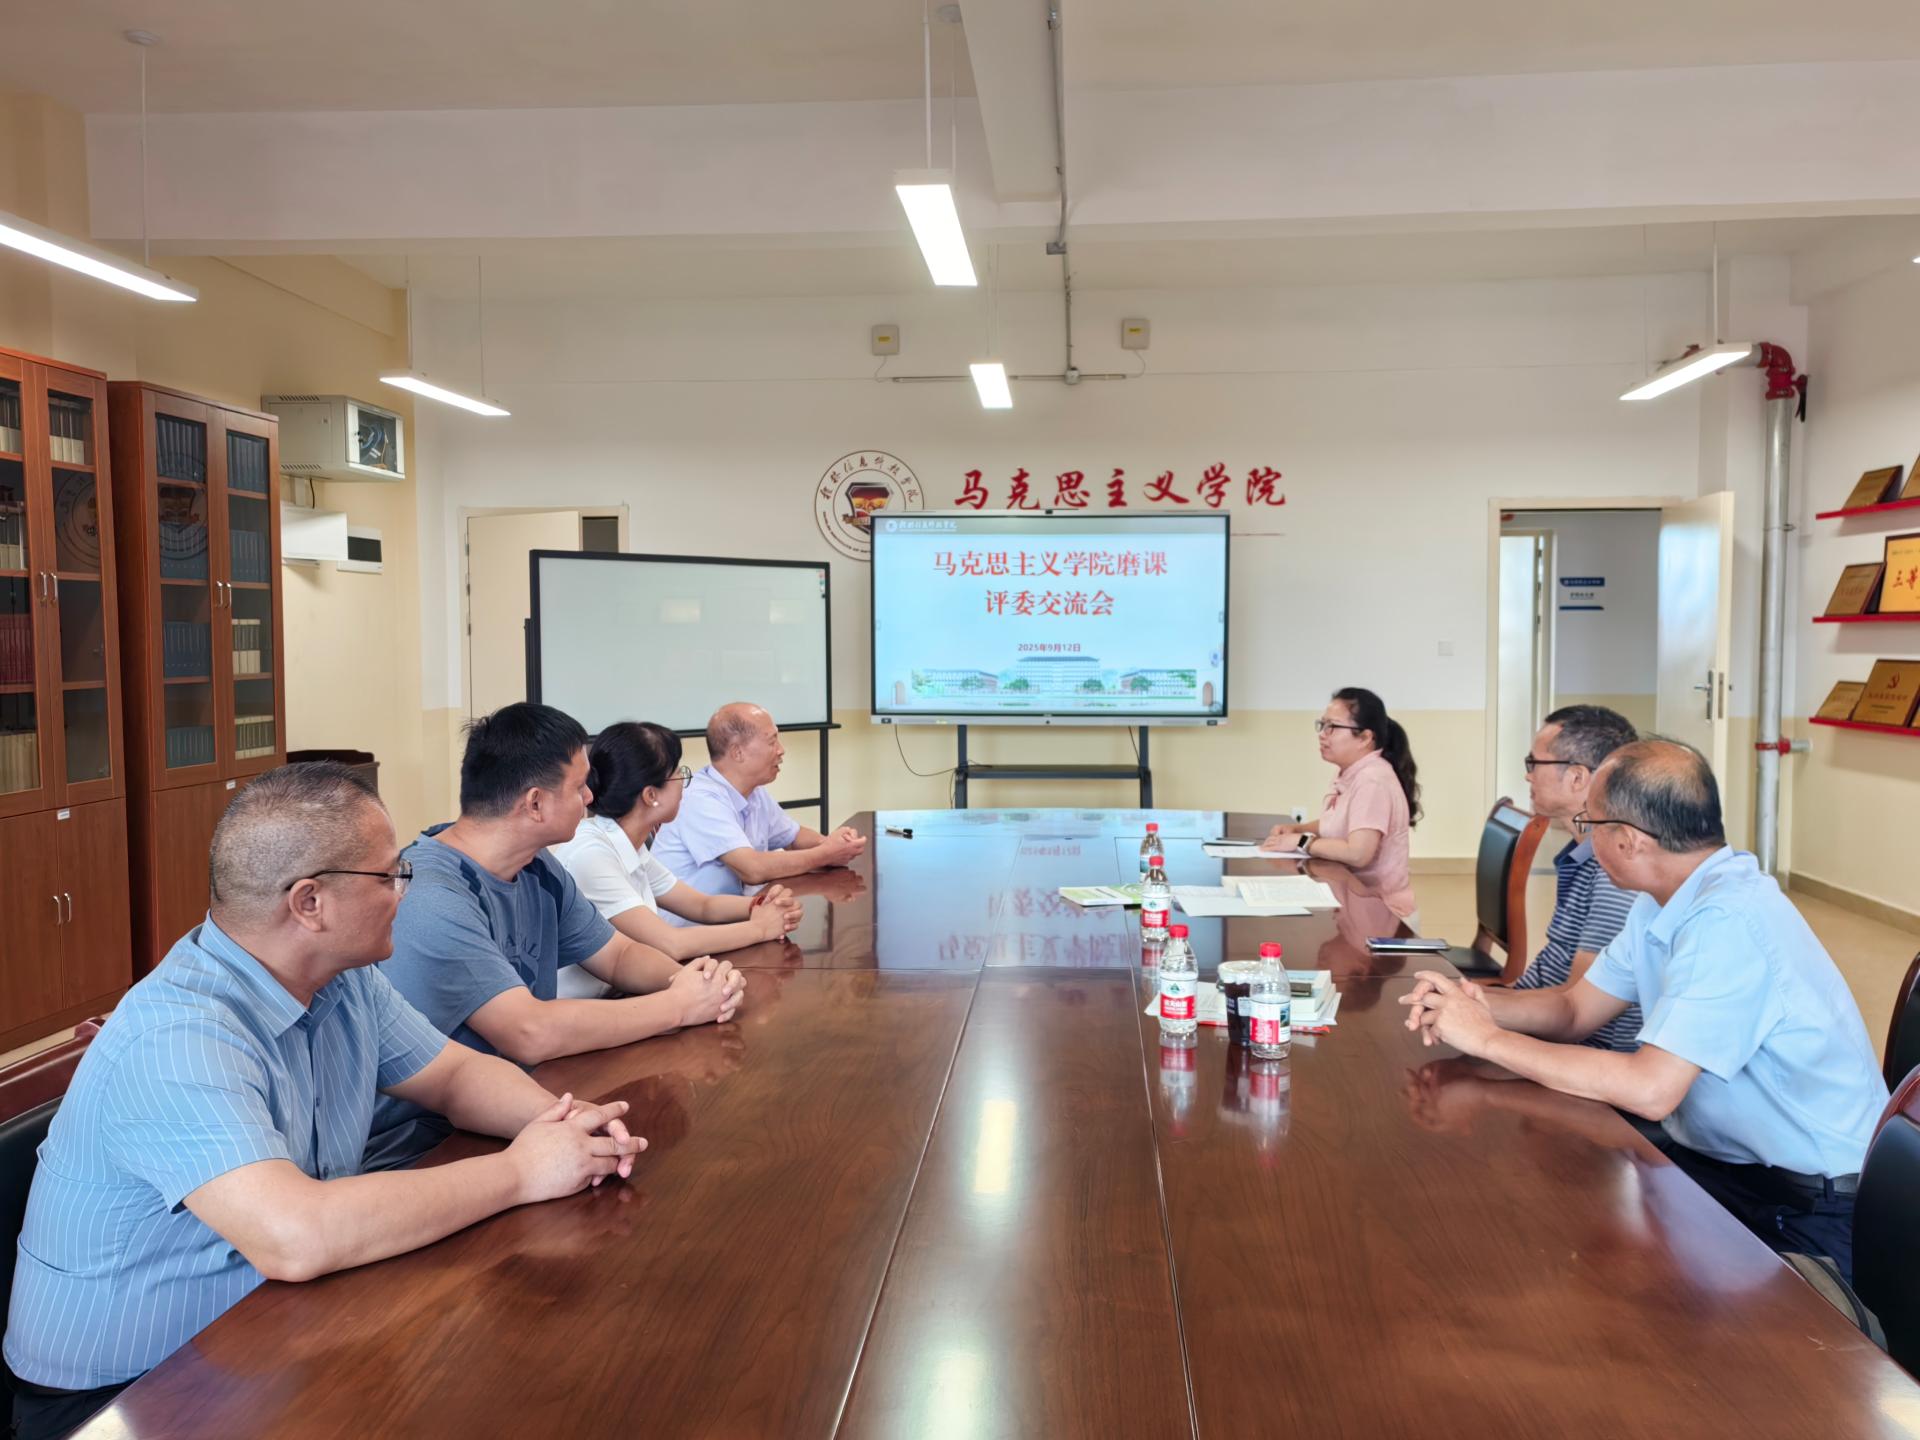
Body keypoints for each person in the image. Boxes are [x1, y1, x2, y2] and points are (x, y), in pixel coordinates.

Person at [3, 764, 643, 1440]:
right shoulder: (179, 1036)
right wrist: (522, 1171)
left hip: (265, 1328)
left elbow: (454, 1076)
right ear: (309, 903)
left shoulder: (341, 978)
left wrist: (560, 1123)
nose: (404, 892)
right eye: (390, 875)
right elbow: (296, 1235)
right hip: (123, 1397)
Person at [1400, 739, 1889, 1280]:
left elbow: (1651, 1088)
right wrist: (1475, 1004)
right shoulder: (1664, 900)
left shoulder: (1728, 920)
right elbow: (1573, 1008)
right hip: (1720, 1168)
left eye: (1590, 823)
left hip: (1808, 1206)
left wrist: (1488, 1041)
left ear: (1628, 840)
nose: (1585, 837)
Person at [364, 704, 743, 1172]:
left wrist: (697, 984)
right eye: (579, 786)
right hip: (426, 1148)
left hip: (523, 1107)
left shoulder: (537, 867)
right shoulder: (432, 895)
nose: (591, 796)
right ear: (535, 803)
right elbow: (530, 1032)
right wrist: (679, 1006)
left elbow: (618, 955)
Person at [551, 721, 806, 958]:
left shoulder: (629, 844)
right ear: (651, 795)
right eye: (677, 773)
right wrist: (761, 928)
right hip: (601, 991)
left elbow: (702, 905)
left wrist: (761, 905)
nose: (684, 782)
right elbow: (671, 943)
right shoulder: (592, 854)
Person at [1510, 704, 1643, 1050]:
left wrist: (1479, 1011)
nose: (1528, 776)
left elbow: (1576, 1009)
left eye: (1534, 763)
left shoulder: (1614, 874)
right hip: (1538, 1021)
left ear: (1578, 778)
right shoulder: (1583, 852)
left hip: (1576, 1051)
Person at [650, 702, 865, 906]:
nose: (781, 750)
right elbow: (752, 869)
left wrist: (837, 844)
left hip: (737, 916)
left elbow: (793, 837)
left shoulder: (754, 791)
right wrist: (826, 853)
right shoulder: (700, 798)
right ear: (738, 752)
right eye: (772, 742)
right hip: (694, 928)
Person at [1261, 687, 1420, 918]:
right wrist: (1299, 829)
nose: (1322, 734)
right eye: (1322, 725)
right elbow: (1339, 821)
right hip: (1353, 902)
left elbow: (1358, 853)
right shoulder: (1352, 771)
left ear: (1365, 737)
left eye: (1332, 727)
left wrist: (1302, 841)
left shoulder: (1372, 780)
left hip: (1382, 914)